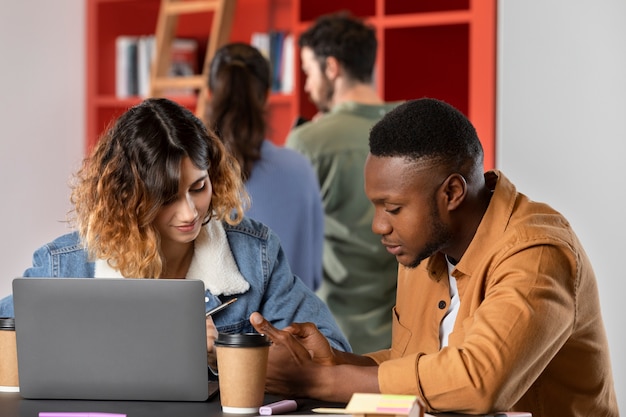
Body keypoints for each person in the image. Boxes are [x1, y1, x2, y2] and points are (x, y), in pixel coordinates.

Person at [249, 98, 619, 416]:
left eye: (392, 208)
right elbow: (422, 370)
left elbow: (477, 382)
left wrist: (321, 380)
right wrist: (334, 362)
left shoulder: (536, 254)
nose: (379, 225)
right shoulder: (425, 249)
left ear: (453, 192)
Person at [0, 98, 351, 364]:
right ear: (127, 195)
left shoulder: (254, 255)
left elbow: (333, 352)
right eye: (167, 197)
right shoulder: (67, 266)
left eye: (198, 187)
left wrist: (221, 357)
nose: (189, 212)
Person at [284, 12, 401, 354]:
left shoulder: (309, 142)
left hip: (333, 340)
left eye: (308, 72)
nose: (307, 86)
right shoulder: (415, 131)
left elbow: (285, 253)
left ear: (331, 68)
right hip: (411, 339)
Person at [204, 42, 324, 291]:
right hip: (289, 323)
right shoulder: (299, 170)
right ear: (267, 95)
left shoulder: (188, 170)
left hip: (207, 325)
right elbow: (312, 275)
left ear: (209, 92)